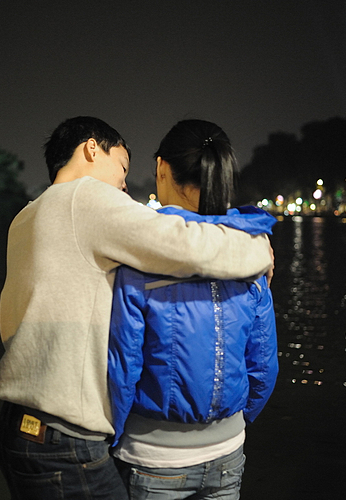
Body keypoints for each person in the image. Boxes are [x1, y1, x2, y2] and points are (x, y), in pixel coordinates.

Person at [0, 116, 273, 500]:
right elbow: (185, 244)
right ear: (92, 148)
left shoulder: (27, 216)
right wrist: (258, 248)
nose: (124, 185)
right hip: (63, 436)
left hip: (19, 426)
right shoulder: (87, 199)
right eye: (122, 168)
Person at [108, 119, 279, 499]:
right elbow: (264, 364)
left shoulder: (140, 255)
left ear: (161, 168)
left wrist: (114, 437)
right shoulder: (251, 251)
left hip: (153, 457)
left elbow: (123, 367)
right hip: (228, 452)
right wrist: (233, 422)